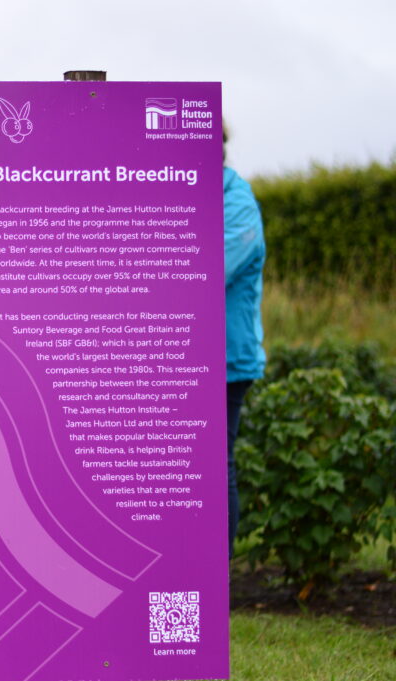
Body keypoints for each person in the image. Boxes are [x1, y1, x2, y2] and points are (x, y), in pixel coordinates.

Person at [223, 132, 266, 557]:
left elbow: (205, 270)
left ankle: (214, 576)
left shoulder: (235, 201)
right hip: (183, 359)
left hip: (225, 362)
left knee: (217, 469)